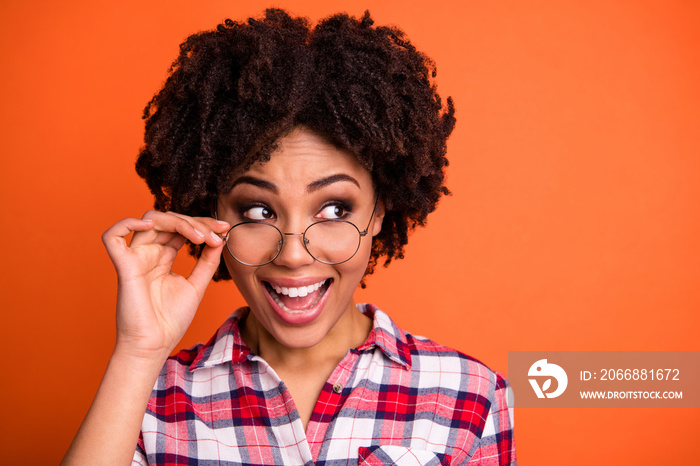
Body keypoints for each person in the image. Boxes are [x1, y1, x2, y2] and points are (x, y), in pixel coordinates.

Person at [62, 9, 515, 465]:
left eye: (335, 209)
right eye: (258, 211)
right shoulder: (147, 402)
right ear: (211, 216)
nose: (294, 254)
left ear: (378, 210)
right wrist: (139, 352)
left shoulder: (470, 398)